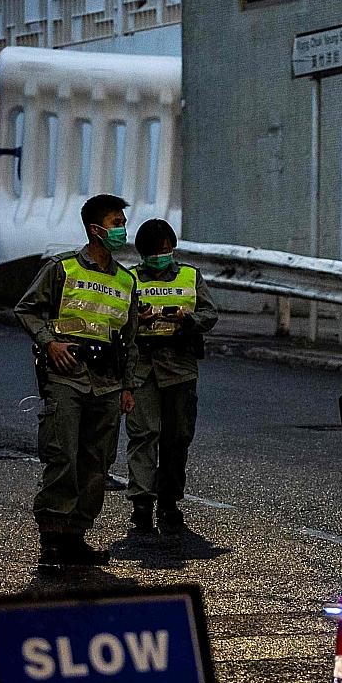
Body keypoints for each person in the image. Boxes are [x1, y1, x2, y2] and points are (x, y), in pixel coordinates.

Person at [14, 194, 138, 566]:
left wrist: (128, 386)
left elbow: (129, 340)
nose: (121, 230)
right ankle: (53, 538)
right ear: (94, 228)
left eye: (121, 222)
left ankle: (76, 535)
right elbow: (27, 309)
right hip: (67, 376)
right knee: (62, 456)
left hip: (108, 381)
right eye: (115, 222)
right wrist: (49, 344)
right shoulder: (62, 268)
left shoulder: (126, 280)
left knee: (97, 463)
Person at [125, 219, 218, 534]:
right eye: (156, 251)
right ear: (144, 253)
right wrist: (139, 319)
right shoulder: (129, 279)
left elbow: (209, 314)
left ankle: (169, 500)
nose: (162, 255)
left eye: (167, 249)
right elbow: (117, 318)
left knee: (177, 437)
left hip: (179, 365)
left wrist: (187, 319)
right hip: (141, 366)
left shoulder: (190, 276)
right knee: (143, 434)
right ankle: (141, 501)